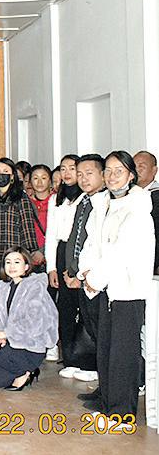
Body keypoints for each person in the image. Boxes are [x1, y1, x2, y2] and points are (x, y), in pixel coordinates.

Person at [80, 151, 154, 421]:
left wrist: (95, 279)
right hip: (104, 287)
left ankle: (122, 414)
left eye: (119, 171)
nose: (112, 176)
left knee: (123, 353)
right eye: (108, 171)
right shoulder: (102, 204)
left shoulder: (138, 208)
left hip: (126, 289)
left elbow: (120, 251)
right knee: (106, 348)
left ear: (131, 175)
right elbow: (91, 243)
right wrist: (86, 271)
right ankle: (107, 402)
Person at [0, 248, 57, 390]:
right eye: (8, 262)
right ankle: (7, 373)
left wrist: (6, 334)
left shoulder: (35, 287)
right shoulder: (2, 288)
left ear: (26, 266)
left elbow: (35, 323)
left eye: (17, 262)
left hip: (30, 346)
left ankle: (24, 372)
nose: (11, 266)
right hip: (10, 343)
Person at [61, 154, 106, 385]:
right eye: (80, 174)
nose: (83, 178)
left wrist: (82, 274)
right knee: (88, 324)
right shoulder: (84, 201)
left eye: (89, 173)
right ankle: (94, 372)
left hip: (96, 278)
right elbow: (75, 238)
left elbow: (98, 245)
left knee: (101, 330)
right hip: (79, 273)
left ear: (103, 175)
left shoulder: (105, 203)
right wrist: (71, 270)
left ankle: (115, 377)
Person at [43, 155, 85, 376]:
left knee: (83, 308)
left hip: (80, 252)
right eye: (63, 168)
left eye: (72, 168)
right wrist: (51, 267)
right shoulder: (55, 199)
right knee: (65, 308)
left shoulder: (87, 197)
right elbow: (51, 235)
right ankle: (69, 357)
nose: (67, 173)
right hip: (61, 252)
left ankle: (84, 358)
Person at [0, 158, 40, 274]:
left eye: (5, 171)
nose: (1, 174)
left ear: (12, 176)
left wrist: (29, 251)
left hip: (14, 253)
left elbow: (27, 226)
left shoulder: (20, 197)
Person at [134, 150, 159, 274]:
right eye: (133, 166)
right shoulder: (127, 196)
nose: (136, 170)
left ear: (154, 170)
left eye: (141, 166)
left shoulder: (156, 196)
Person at [28, 164, 53, 257]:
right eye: (35, 178)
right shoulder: (26, 203)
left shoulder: (57, 202)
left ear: (50, 181)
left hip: (53, 253)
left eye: (43, 178)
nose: (39, 182)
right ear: (30, 182)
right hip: (30, 255)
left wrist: (42, 251)